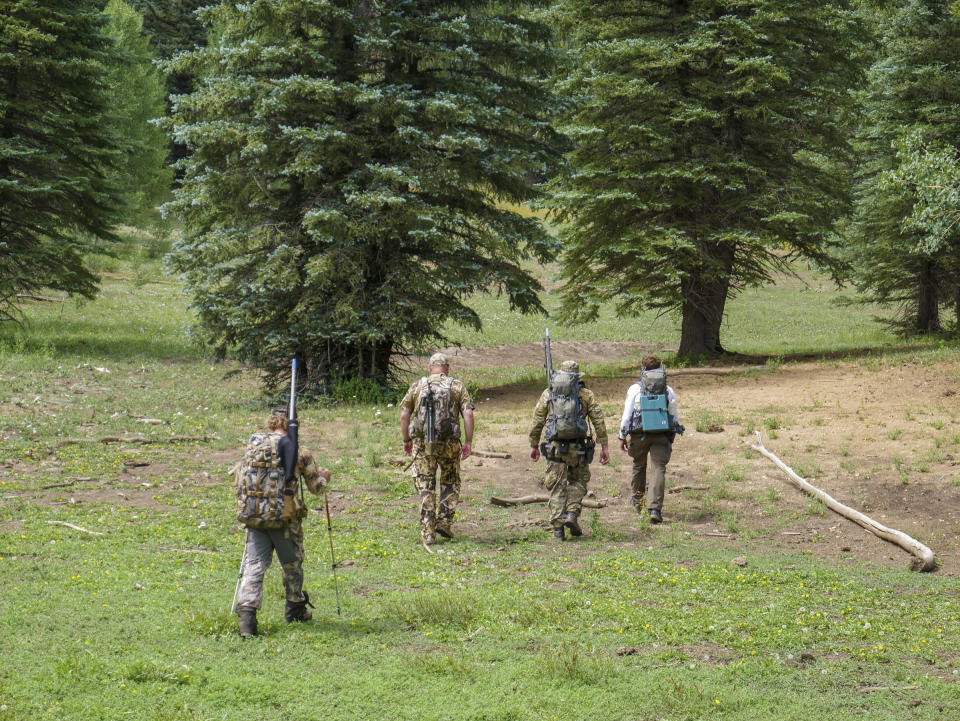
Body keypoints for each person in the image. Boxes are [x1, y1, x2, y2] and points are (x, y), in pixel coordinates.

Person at [234, 408, 331, 637]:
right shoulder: (299, 450)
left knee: (254, 566)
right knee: (292, 564)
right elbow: (316, 488)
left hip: (255, 516)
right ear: (294, 424)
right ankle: (295, 608)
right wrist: (325, 477)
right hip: (285, 520)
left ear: (271, 422)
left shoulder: (254, 445)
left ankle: (246, 618)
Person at [528, 360, 609, 540]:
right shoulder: (586, 394)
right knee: (578, 481)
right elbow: (598, 420)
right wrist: (604, 445)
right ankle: (572, 513)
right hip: (579, 448)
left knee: (557, 486)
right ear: (577, 376)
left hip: (555, 448)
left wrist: (533, 444)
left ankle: (558, 529)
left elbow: (537, 420)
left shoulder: (549, 393)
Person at [399, 352, 475, 546]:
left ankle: (428, 531)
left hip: (423, 444)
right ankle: (444, 521)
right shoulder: (456, 386)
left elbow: (404, 415)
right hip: (449, 443)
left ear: (430, 367)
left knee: (426, 484)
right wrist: (468, 442)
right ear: (447, 368)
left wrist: (406, 440)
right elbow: (468, 414)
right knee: (450, 480)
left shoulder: (417, 386)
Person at [617, 355, 680, 524]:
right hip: (661, 433)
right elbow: (674, 414)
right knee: (658, 468)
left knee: (639, 464)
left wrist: (622, 436)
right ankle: (654, 508)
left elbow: (627, 415)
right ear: (660, 369)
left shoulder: (635, 389)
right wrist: (672, 432)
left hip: (639, 433)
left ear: (642, 369)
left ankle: (638, 501)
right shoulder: (668, 389)